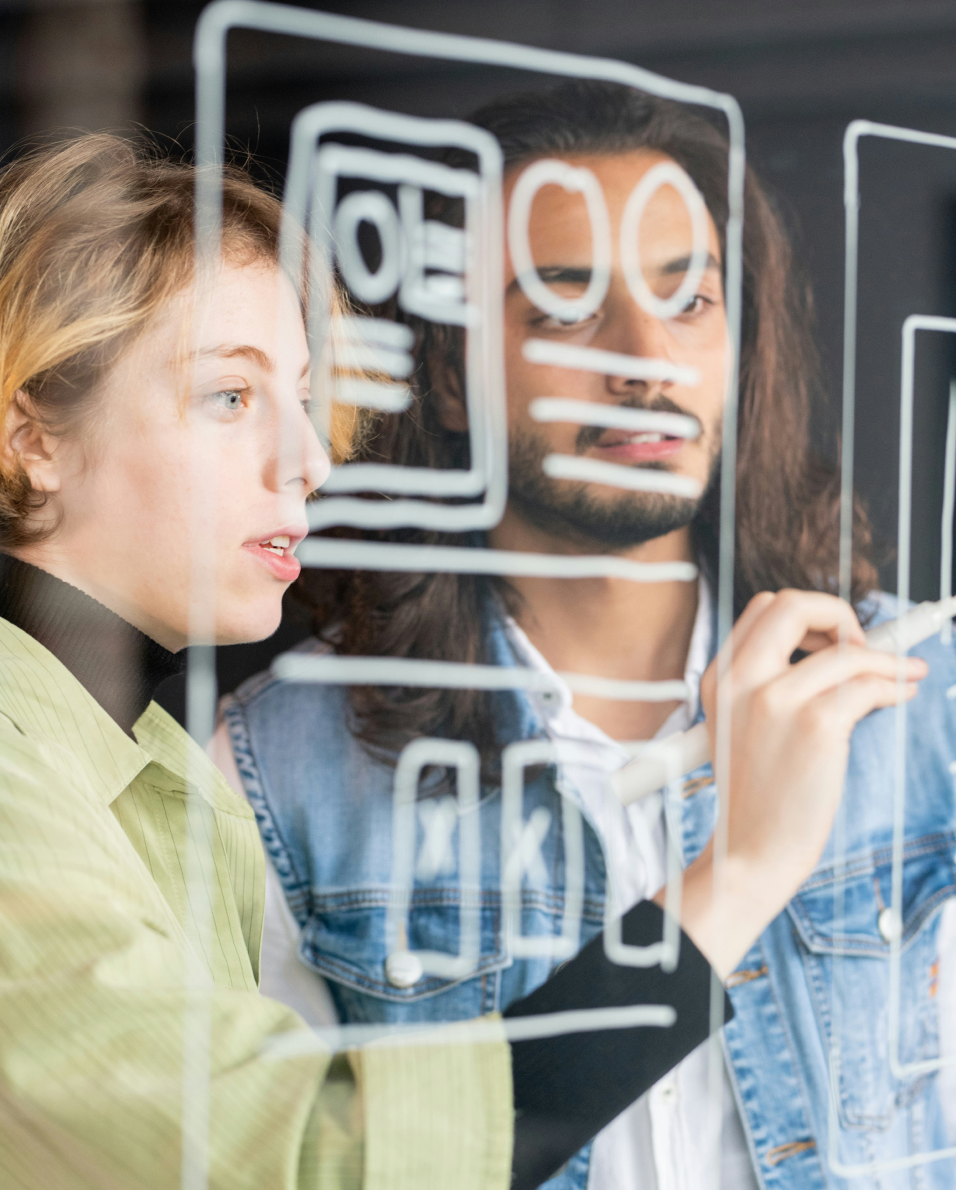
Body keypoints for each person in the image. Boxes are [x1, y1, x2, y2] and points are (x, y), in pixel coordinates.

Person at [0, 131, 882, 1190]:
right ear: (32, 436)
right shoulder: (207, 762)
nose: (311, 457)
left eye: (302, 394)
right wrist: (733, 876)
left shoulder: (127, 754)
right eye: (230, 396)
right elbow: (312, 1155)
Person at [212, 82, 956, 1189]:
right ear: (452, 378)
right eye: (563, 305)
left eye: (689, 300)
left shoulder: (920, 698)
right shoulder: (276, 770)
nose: (645, 357)